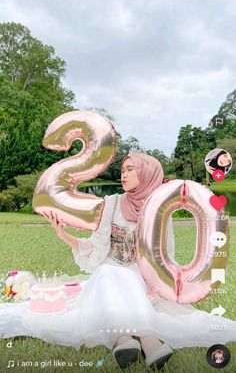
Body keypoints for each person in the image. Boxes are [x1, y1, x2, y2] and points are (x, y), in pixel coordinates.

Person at [0, 152, 236, 370]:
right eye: (123, 170)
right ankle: (134, 339)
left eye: (130, 169)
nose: (124, 174)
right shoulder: (111, 203)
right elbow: (97, 247)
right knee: (106, 273)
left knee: (122, 277)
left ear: (146, 174)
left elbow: (164, 258)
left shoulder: (159, 207)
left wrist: (158, 287)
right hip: (110, 274)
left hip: (142, 279)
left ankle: (135, 339)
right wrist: (65, 236)